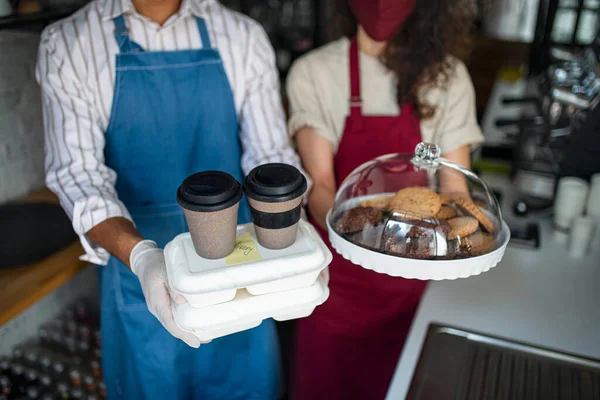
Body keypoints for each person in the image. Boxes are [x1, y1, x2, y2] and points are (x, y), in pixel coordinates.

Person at [36, 0, 307, 398]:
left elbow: (270, 161)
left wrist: (295, 245)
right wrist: (144, 259)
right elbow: (79, 177)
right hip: (139, 270)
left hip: (241, 272)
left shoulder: (242, 36)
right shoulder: (69, 43)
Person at [285, 0, 485, 399]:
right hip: (335, 288)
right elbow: (322, 186)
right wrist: (367, 237)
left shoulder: (448, 78)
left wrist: (473, 240)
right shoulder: (315, 72)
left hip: (413, 290)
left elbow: (455, 190)